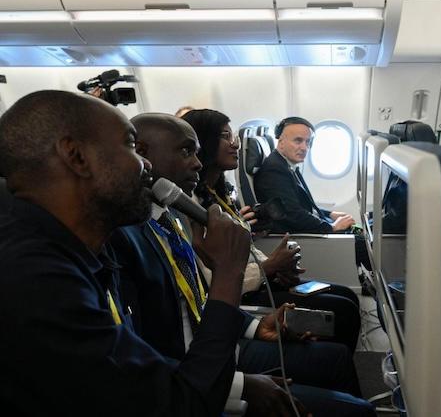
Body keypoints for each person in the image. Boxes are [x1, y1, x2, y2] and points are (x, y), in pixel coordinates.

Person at [0, 90, 257, 417]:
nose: (146, 164)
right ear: (76, 156)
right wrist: (228, 274)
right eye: (131, 145)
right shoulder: (34, 280)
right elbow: (182, 407)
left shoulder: (78, 252)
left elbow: (125, 366)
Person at [109, 113, 373, 416]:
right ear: (143, 154)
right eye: (186, 152)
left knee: (340, 354)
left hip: (218, 347)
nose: (197, 163)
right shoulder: (127, 238)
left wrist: (255, 325)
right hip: (195, 374)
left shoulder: (169, 218)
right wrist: (239, 385)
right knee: (350, 399)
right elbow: (146, 355)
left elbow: (197, 296)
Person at [182, 110, 362, 353]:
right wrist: (270, 267)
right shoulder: (193, 208)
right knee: (343, 311)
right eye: (225, 136)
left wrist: (276, 269)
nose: (235, 144)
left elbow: (248, 250)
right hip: (244, 294)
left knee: (348, 298)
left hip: (260, 279)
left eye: (234, 136)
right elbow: (212, 279)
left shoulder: (219, 193)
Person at [254, 116, 356, 233]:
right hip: (296, 235)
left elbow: (300, 206)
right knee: (361, 240)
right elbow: (292, 214)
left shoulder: (287, 165)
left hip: (305, 227)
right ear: (281, 142)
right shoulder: (274, 170)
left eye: (308, 142)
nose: (304, 148)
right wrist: (332, 227)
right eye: (298, 141)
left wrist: (329, 214)